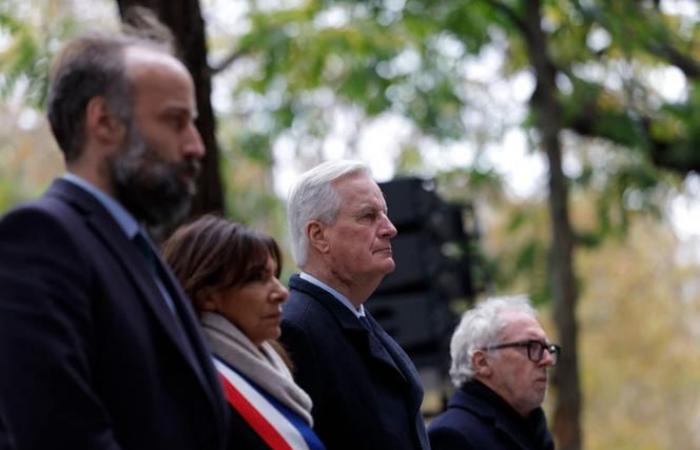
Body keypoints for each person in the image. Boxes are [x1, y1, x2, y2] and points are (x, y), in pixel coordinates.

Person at [0, 25, 230, 450]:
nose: (196, 145)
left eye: (194, 123)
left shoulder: (137, 248)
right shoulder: (39, 240)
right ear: (103, 121)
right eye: (175, 121)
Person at [280, 159, 430, 450]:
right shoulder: (296, 329)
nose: (390, 229)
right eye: (368, 216)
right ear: (319, 235)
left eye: (384, 214)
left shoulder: (353, 314)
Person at [162, 215, 325, 450]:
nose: (281, 292)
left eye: (274, 276)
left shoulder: (266, 363)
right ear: (207, 296)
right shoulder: (195, 389)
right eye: (258, 278)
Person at [428, 295, 558, 450]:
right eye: (531, 346)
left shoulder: (535, 432)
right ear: (482, 362)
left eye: (547, 349)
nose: (548, 360)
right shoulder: (451, 436)